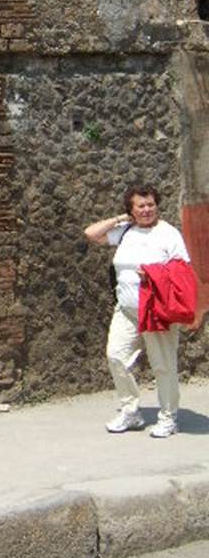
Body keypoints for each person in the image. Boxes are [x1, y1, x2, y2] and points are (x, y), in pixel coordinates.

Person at [84, 183, 190, 438]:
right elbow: (91, 233)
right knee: (116, 356)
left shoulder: (168, 234)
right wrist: (122, 219)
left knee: (163, 366)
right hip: (127, 310)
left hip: (157, 310)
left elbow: (183, 271)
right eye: (140, 205)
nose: (146, 210)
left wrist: (155, 273)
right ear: (131, 209)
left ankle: (168, 418)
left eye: (151, 204)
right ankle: (131, 411)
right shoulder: (125, 231)